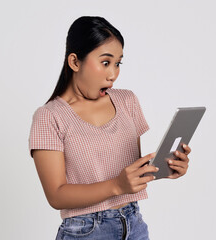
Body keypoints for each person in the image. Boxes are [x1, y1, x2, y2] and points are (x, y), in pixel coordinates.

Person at [28, 16, 191, 240]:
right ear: (75, 62)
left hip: (134, 224)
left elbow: (127, 170)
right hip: (86, 231)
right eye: (105, 62)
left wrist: (165, 168)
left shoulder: (127, 101)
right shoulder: (49, 117)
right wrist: (116, 185)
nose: (113, 74)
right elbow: (56, 195)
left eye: (118, 63)